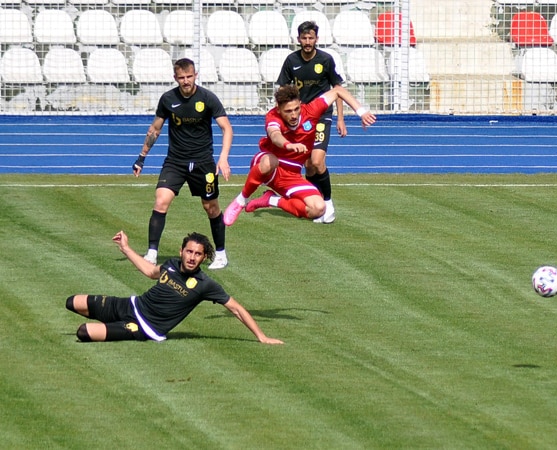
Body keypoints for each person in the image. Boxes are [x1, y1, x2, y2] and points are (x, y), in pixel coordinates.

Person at [65, 230, 283, 345]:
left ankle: (116, 327)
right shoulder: (170, 265)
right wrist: (126, 248)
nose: (192, 257)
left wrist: (261, 336)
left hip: (145, 328)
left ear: (203, 257)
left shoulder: (205, 285)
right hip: (130, 305)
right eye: (189, 252)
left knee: (83, 332)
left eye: (198, 254)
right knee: (72, 301)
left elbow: (236, 308)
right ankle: (113, 321)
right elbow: (150, 271)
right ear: (181, 251)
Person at [132, 57, 233, 270]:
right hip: (175, 162)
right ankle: (151, 253)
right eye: (181, 78)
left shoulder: (207, 98)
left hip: (203, 163)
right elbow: (155, 129)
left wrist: (223, 158)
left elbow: (227, 128)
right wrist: (142, 157)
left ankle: (221, 254)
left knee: (211, 208)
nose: (186, 81)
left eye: (189, 76)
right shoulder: (168, 99)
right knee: (161, 201)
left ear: (196, 75)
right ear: (175, 78)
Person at [222, 85, 375, 225]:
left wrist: (361, 112)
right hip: (269, 166)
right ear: (278, 109)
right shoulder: (272, 116)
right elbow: (274, 135)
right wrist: (289, 145)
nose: (294, 115)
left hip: (291, 175)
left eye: (296, 109)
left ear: (300, 104)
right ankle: (240, 201)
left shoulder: (311, 110)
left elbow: (338, 91)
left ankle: (271, 200)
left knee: (318, 208)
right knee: (270, 161)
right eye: (288, 111)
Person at [276, 20, 346, 224]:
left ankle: (328, 202)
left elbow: (337, 89)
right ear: (298, 39)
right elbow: (282, 91)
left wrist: (340, 118)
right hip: (300, 119)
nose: (307, 41)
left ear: (317, 39)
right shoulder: (291, 61)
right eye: (304, 38)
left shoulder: (325, 60)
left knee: (317, 160)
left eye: (311, 38)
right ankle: (317, 205)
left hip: (322, 115)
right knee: (308, 165)